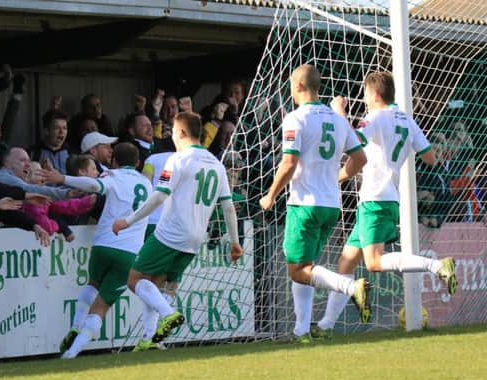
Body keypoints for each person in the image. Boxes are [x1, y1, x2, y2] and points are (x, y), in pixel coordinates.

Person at [313, 71, 457, 338]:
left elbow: (351, 142)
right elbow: (430, 158)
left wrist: (338, 112)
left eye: (366, 93)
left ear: (376, 94)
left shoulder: (376, 117)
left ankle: (437, 266)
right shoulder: (407, 119)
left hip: (375, 199)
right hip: (388, 196)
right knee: (346, 261)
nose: (364, 98)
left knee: (374, 262)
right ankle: (325, 326)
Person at [111, 112, 243, 347]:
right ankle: (150, 339)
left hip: (170, 233)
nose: (171, 135)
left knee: (135, 279)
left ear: (181, 132)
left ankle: (168, 314)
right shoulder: (216, 163)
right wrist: (235, 241)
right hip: (195, 238)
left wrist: (128, 221)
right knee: (158, 285)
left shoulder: (179, 159)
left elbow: (160, 195)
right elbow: (228, 207)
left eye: (172, 130)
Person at [259, 64, 369, 342]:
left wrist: (271, 194)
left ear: (297, 86)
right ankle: (302, 331)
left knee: (297, 270)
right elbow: (360, 159)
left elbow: (289, 162)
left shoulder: (296, 118)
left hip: (305, 204)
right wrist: (338, 178)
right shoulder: (337, 120)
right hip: (331, 206)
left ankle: (349, 287)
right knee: (306, 267)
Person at [56, 143, 153, 358]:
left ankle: (75, 325)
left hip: (103, 245)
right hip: (129, 252)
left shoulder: (112, 176)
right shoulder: (147, 184)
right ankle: (72, 352)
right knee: (102, 306)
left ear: (114, 161)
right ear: (138, 163)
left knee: (92, 284)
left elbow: (93, 186)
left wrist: (62, 179)